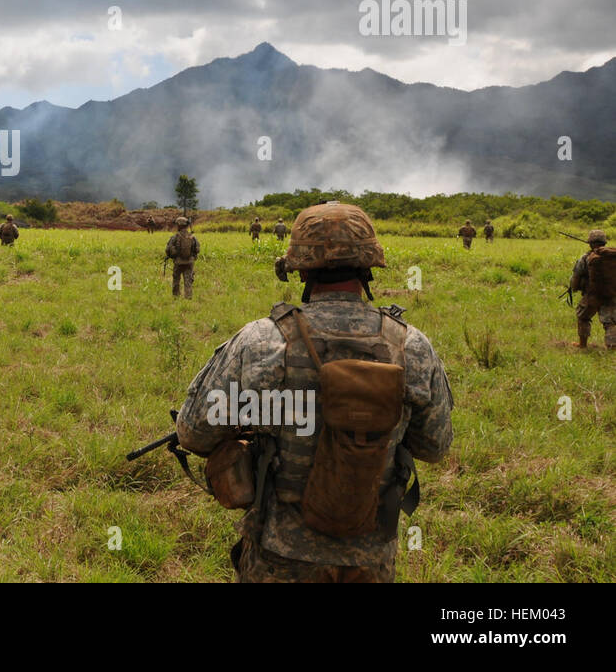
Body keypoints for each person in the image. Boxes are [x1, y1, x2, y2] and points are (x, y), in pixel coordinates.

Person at [174, 201, 453, 582]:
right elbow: (434, 447)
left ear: (301, 268)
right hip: (369, 562)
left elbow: (193, 432)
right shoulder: (412, 347)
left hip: (278, 557)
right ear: (369, 266)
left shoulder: (262, 340)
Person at [569, 229, 616, 349]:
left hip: (592, 295)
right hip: (611, 294)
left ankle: (582, 344)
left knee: (583, 317)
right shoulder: (612, 256)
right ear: (604, 242)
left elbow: (576, 276)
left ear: (590, 243)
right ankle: (612, 346)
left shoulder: (586, 258)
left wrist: (574, 288)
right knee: (610, 322)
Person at [165, 216, 199, 299]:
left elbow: (168, 249)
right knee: (188, 280)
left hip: (178, 262)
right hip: (189, 262)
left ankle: (176, 297)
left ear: (179, 225)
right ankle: (188, 297)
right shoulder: (192, 237)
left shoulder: (175, 237)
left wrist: (172, 256)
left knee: (176, 280)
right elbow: (197, 249)